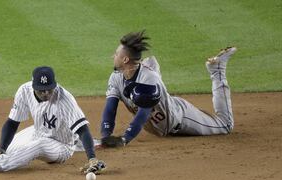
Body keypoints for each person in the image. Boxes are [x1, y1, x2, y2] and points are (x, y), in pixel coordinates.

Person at [100, 30, 236, 147]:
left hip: (181, 117)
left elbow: (143, 113)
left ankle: (217, 69)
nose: (113, 56)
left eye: (116, 54)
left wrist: (125, 139)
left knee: (225, 125)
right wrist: (106, 135)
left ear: (125, 60)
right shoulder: (116, 78)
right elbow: (110, 108)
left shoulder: (148, 78)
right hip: (161, 123)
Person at [0, 66, 106, 174]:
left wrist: (92, 159)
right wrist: (2, 149)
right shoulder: (24, 91)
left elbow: (83, 130)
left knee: (39, 145)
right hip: (37, 132)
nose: (46, 94)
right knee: (9, 150)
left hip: (62, 146)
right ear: (33, 86)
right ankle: (1, 157)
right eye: (41, 90)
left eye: (49, 89)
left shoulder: (65, 99)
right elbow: (12, 123)